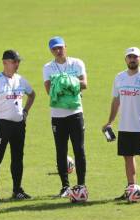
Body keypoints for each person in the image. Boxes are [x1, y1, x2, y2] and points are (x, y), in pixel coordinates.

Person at [102, 47, 140, 200]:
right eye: (129, 57)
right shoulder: (119, 77)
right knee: (127, 157)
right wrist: (110, 122)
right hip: (124, 126)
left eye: (135, 57)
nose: (132, 59)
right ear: (125, 59)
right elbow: (116, 100)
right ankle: (131, 189)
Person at [0, 50, 35, 199]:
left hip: (19, 125)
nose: (17, 64)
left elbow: (32, 94)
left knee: (18, 157)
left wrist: (25, 111)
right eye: (14, 61)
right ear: (5, 62)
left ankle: (17, 190)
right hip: (2, 124)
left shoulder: (21, 80)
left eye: (18, 61)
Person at [43, 36, 88, 197]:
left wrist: (66, 81)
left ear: (65, 47)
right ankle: (65, 186)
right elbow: (49, 90)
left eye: (60, 47)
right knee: (61, 150)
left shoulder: (77, 63)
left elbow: (84, 84)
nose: (58, 51)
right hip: (57, 116)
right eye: (54, 48)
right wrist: (68, 85)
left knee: (79, 149)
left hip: (75, 114)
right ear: (51, 50)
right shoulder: (48, 67)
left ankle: (81, 184)